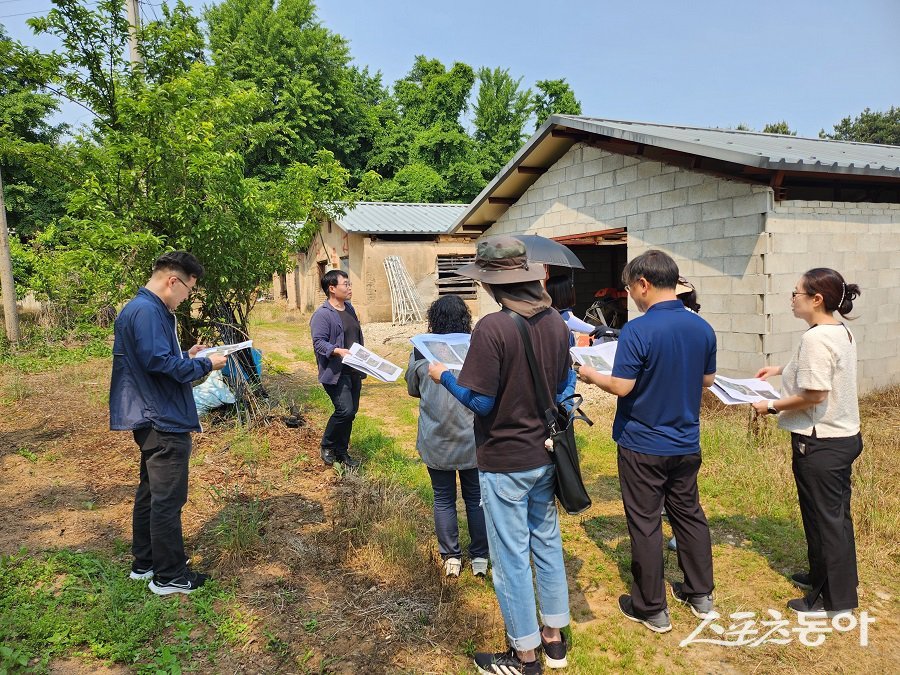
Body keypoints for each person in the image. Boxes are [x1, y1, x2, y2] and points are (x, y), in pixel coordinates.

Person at [428, 236, 571, 675]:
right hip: (545, 453)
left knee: (510, 557)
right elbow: (564, 388)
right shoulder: (557, 325)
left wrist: (444, 376)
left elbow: (482, 403)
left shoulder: (493, 328)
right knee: (547, 544)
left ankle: (523, 654)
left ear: (492, 284)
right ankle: (554, 640)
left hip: (504, 459)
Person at [576, 250, 717, 633]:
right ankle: (700, 593)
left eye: (630, 288)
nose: (632, 296)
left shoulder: (639, 330)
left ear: (643, 284)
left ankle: (651, 608)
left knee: (645, 522)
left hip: (643, 441)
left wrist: (590, 374)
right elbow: (706, 381)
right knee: (689, 514)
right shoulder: (701, 327)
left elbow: (622, 385)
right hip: (686, 441)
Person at [109, 251, 228, 595]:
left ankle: (145, 563)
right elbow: (158, 364)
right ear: (172, 281)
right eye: (188, 289)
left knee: (151, 493)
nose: (187, 297)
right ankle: (170, 575)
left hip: (150, 414)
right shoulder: (148, 311)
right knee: (167, 500)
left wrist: (187, 357)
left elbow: (156, 360)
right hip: (161, 418)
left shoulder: (141, 309)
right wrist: (207, 366)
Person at [750, 268, 862, 616]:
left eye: (796, 294)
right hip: (843, 437)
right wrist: (780, 369)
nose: (791, 300)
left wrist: (769, 405)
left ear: (817, 299)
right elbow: (822, 369)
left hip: (820, 442)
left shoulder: (815, 339)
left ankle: (834, 600)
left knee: (825, 520)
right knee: (833, 517)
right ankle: (830, 578)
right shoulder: (838, 331)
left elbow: (815, 393)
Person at [406, 295, 489, 578]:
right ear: (465, 319)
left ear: (434, 320)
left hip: (436, 436)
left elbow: (413, 389)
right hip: (472, 438)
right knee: (476, 498)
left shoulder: (421, 350)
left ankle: (451, 558)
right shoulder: (477, 348)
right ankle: (480, 557)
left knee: (443, 498)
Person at [310, 269, 364, 468]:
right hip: (335, 372)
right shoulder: (322, 315)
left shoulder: (349, 308)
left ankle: (342, 452)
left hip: (354, 369)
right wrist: (337, 351)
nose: (349, 288)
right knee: (344, 410)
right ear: (332, 289)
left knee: (352, 412)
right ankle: (327, 445)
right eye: (346, 284)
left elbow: (356, 337)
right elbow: (319, 343)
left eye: (350, 284)